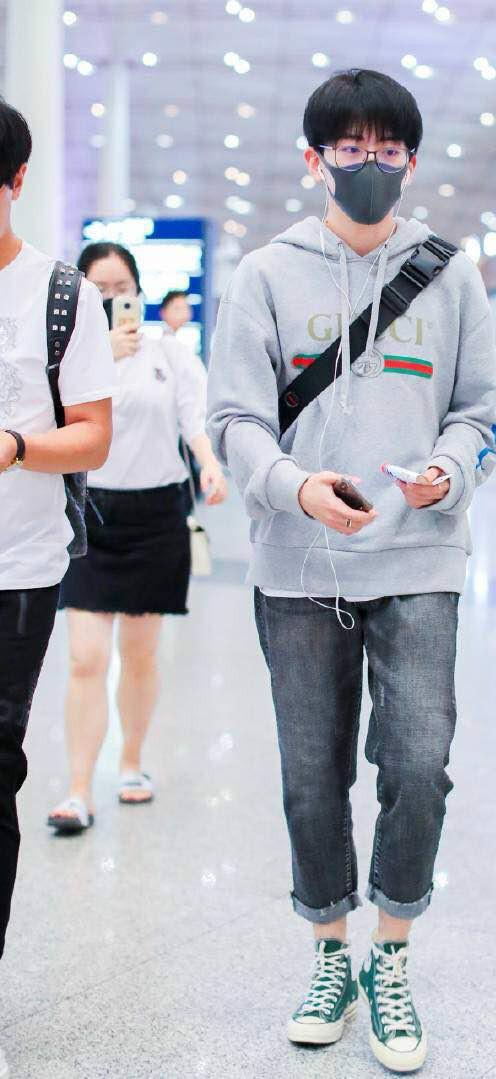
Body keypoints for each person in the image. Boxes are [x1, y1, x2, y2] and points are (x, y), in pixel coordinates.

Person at [207, 69, 496, 1073]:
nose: (368, 163)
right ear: (315, 158)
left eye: (387, 149)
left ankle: (393, 954)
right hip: (299, 564)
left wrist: (448, 470)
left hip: (421, 553)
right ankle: (331, 952)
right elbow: (234, 418)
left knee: (418, 761)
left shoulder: (451, 275)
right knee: (311, 773)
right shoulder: (264, 275)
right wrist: (293, 486)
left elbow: (479, 413)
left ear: (411, 162)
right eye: (350, 147)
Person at [0, 98, 114, 1073]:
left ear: (16, 181)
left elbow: (93, 436)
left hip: (16, 567)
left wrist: (13, 446)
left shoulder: (60, 295)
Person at [47, 242, 227, 834]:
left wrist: (210, 464)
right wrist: (99, 359)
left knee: (140, 653)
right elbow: (50, 423)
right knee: (86, 656)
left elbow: (194, 418)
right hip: (90, 515)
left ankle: (130, 762)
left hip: (155, 516)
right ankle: (78, 788)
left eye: (120, 288)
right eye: (97, 290)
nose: (110, 299)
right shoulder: (67, 357)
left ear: (139, 292)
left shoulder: (169, 354)